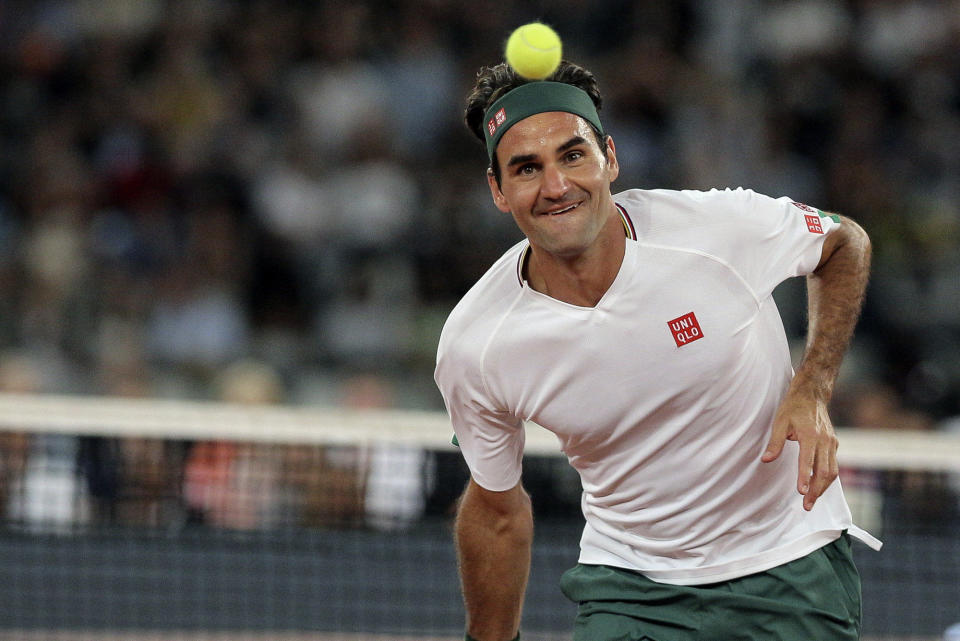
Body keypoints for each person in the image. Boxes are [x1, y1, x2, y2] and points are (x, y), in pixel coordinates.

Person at [434, 60, 881, 641]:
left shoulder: (716, 230)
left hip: (788, 566)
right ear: (498, 191)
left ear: (609, 159)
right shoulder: (477, 345)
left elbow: (844, 241)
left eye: (573, 155)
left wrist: (813, 387)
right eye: (526, 168)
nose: (556, 186)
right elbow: (496, 512)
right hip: (630, 587)